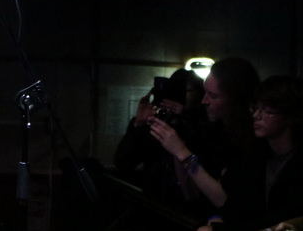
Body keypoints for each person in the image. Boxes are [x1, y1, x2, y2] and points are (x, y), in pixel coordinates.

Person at [148, 57, 260, 212]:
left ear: (236, 98)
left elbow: (226, 202)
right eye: (205, 92)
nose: (204, 101)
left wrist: (182, 152)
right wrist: (176, 146)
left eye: (213, 96)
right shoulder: (215, 132)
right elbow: (192, 194)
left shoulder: (255, 139)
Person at [197, 75, 303, 231]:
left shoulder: (297, 163)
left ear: (289, 115)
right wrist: (216, 219)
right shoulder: (254, 155)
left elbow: (284, 217)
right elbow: (236, 207)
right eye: (256, 107)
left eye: (266, 110)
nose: (256, 115)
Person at [114, 68, 210, 218]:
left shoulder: (206, 125)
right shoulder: (160, 122)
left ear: (199, 94)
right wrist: (138, 124)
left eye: (187, 90)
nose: (180, 95)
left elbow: (206, 155)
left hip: (190, 211)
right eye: (175, 90)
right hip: (155, 208)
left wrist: (185, 119)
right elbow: (123, 162)